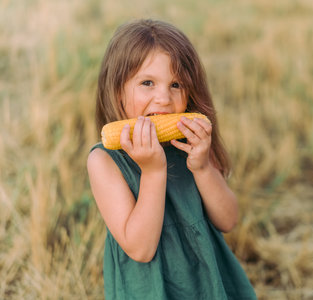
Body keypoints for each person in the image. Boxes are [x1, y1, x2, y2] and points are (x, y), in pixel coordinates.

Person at [87, 19, 257, 299]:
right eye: (147, 83)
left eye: (176, 84)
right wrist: (153, 173)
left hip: (205, 284)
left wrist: (202, 167)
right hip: (149, 287)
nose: (164, 98)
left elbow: (228, 219)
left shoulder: (192, 144)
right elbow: (141, 249)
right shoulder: (104, 162)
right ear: (117, 90)